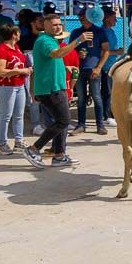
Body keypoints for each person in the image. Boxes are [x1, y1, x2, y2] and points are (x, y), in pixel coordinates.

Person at [22, 13, 88, 169]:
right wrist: (78, 41)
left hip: (56, 87)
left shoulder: (51, 41)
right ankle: (33, 149)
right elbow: (56, 54)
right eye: (54, 24)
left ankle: (59, 155)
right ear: (45, 26)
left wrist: (65, 68)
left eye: (59, 24)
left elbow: (46, 63)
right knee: (63, 121)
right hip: (50, 88)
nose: (58, 27)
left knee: (61, 121)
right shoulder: (45, 41)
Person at [70, 7, 111, 135]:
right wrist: (77, 54)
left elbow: (106, 50)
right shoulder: (76, 32)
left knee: (96, 96)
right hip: (80, 68)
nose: (81, 18)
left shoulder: (99, 31)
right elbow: (70, 49)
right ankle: (81, 124)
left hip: (93, 68)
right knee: (81, 98)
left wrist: (98, 67)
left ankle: (100, 125)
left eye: (83, 16)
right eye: (79, 17)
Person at [0, 23, 32, 154]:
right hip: (6, 87)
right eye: (18, 32)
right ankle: (3, 144)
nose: (20, 34)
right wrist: (19, 70)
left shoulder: (17, 48)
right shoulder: (1, 50)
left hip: (19, 85)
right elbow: (0, 71)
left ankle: (18, 142)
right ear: (14, 34)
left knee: (19, 115)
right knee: (6, 116)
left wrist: (25, 69)